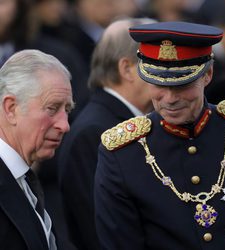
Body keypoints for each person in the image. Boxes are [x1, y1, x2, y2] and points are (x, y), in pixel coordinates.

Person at [94, 21, 225, 249]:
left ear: (208, 75)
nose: (169, 99)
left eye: (181, 85)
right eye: (157, 84)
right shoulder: (122, 154)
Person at [58, 17, 154, 250]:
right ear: (127, 69)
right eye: (156, 63)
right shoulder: (95, 133)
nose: (167, 74)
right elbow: (101, 232)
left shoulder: (125, 122)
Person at [0, 49, 76, 250]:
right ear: (11, 108)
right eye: (52, 108)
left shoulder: (24, 177)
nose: (65, 125)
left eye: (67, 110)